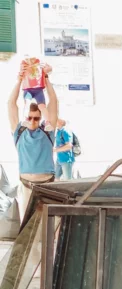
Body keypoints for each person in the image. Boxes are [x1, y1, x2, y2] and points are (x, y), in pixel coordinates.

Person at [8, 66, 59, 212]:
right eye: (29, 117)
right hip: (26, 185)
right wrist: (18, 81)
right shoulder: (19, 131)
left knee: (49, 224)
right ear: (25, 117)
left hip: (47, 185)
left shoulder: (47, 132)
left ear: (41, 117)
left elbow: (54, 102)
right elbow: (11, 104)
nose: (33, 121)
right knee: (26, 225)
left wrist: (46, 79)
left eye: (36, 118)